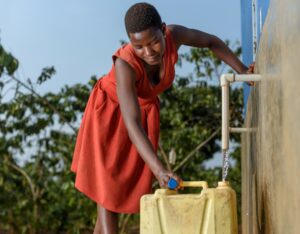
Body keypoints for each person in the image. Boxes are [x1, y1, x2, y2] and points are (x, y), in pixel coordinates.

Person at [71, 2, 254, 234]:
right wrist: (159, 170)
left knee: (111, 201)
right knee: (107, 199)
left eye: (154, 42)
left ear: (163, 30)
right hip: (109, 118)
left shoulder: (175, 35)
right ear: (130, 42)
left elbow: (211, 42)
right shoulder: (125, 65)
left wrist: (242, 70)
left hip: (139, 120)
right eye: (139, 46)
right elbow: (131, 122)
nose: (148, 52)